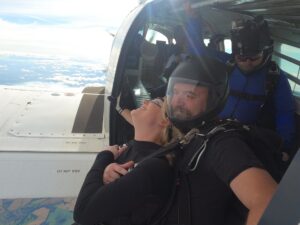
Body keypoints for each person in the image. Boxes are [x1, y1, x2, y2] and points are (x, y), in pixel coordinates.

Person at [161, 56, 277, 225]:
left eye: (190, 95)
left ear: (212, 101)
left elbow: (267, 201)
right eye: (175, 92)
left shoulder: (222, 143)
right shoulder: (186, 134)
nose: (178, 101)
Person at [73, 97, 183, 225]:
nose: (146, 101)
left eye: (156, 102)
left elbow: (83, 211)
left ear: (165, 121)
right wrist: (105, 173)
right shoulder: (130, 148)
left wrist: (104, 156)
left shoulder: (155, 167)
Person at [219, 16, 296, 159]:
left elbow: (284, 114)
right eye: (241, 58)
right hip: (218, 131)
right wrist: (192, 19)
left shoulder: (275, 77)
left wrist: (284, 147)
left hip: (250, 140)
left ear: (266, 52)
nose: (247, 63)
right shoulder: (227, 66)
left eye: (254, 58)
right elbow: (198, 52)